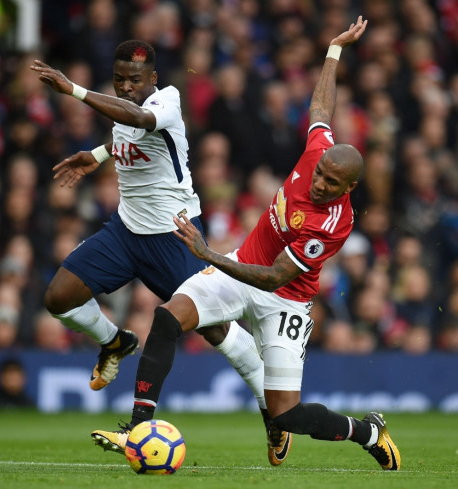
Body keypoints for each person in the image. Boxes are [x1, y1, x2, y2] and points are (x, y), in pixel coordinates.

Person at [92, 18, 401, 471]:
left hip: (285, 301)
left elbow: (275, 276)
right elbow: (321, 107)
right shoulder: (320, 152)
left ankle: (368, 431)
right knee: (166, 318)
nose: (318, 183)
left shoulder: (332, 224)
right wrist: (333, 51)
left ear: (350, 187)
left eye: (331, 183)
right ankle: (138, 427)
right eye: (319, 174)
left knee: (289, 414)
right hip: (240, 266)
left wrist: (207, 254)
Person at [29, 41, 289, 464]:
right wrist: (96, 155)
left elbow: (140, 119)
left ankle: (273, 413)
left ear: (152, 79)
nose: (126, 87)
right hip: (125, 232)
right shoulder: (120, 107)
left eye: (135, 80)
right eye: (119, 80)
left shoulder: (167, 100)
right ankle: (115, 343)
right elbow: (126, 134)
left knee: (216, 332)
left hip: (175, 237)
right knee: (58, 298)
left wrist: (73, 90)